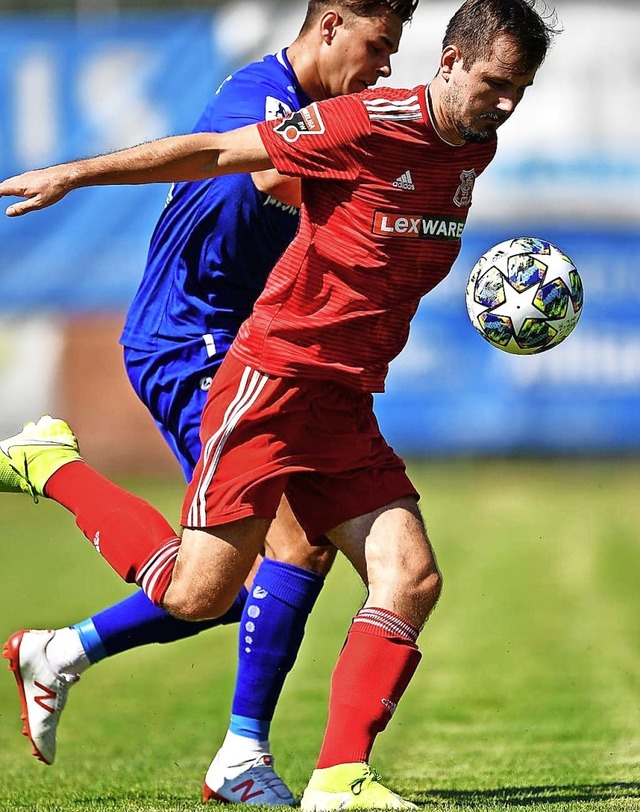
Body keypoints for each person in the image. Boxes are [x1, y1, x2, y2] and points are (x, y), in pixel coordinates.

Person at [0, 0, 559, 808]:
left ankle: (336, 780)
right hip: (272, 382)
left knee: (408, 575)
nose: (506, 104)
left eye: (522, 90)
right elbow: (226, 152)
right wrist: (75, 172)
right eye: (497, 84)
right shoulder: (364, 121)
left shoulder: (478, 144)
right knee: (204, 595)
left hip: (342, 399)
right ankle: (55, 476)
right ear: (451, 61)